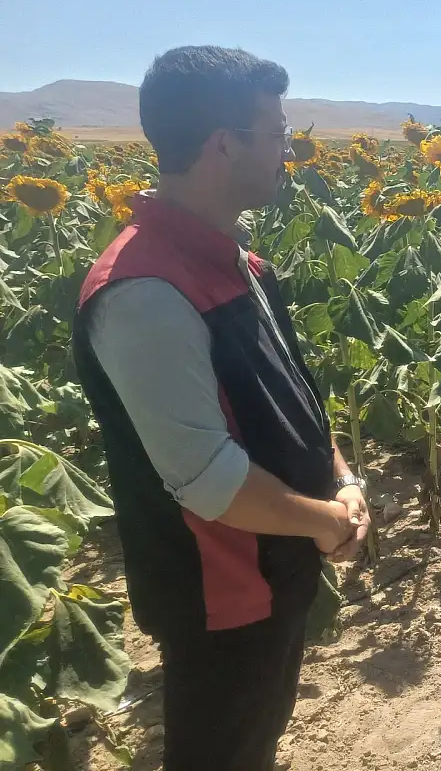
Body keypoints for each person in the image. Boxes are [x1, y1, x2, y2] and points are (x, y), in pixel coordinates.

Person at [72, 46, 371, 771]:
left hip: (278, 564)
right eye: (276, 133)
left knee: (255, 740)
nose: (288, 151)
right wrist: (328, 521)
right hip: (222, 593)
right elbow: (207, 476)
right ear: (224, 143)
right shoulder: (144, 290)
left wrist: (343, 479)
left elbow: (290, 392)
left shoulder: (237, 259)